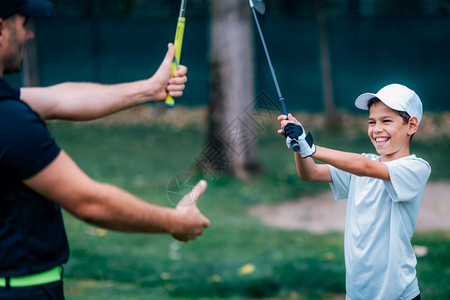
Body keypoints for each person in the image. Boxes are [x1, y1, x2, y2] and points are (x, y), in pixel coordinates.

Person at [0, 0, 210, 299]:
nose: (30, 35)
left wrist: (150, 89)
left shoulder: (9, 107)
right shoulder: (10, 120)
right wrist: (175, 222)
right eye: (24, 25)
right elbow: (88, 202)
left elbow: (59, 100)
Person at [278, 83, 431, 300]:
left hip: (397, 294)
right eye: (371, 121)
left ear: (411, 125)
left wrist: (311, 147)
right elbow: (310, 173)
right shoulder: (362, 163)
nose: (377, 129)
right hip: (358, 293)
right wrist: (298, 146)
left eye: (386, 120)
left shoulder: (416, 168)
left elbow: (364, 167)